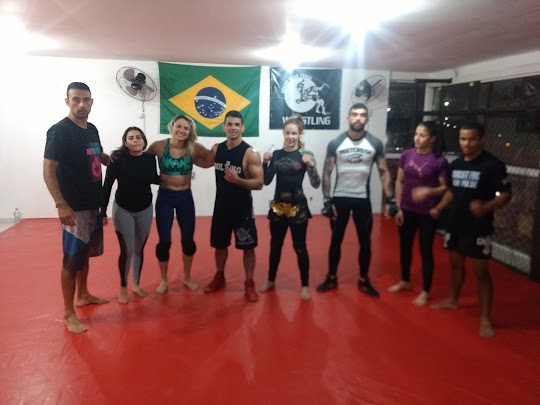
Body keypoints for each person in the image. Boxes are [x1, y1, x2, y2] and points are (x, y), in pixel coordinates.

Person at [431, 122, 511, 338]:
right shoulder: (455, 164)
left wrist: (486, 206)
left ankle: (485, 317)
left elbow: (506, 194)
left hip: (478, 226)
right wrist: (439, 207)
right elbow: (452, 191)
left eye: (471, 139)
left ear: (481, 140)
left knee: (481, 273)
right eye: (463, 139)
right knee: (455, 265)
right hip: (455, 223)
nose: (466, 144)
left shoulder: (492, 165)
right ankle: (452, 300)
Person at [43, 82, 110, 333]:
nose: (81, 104)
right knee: (72, 259)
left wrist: (112, 157)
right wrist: (61, 204)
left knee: (85, 254)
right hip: (74, 207)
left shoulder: (92, 129)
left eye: (86, 100)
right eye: (76, 100)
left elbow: (96, 155)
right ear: (67, 102)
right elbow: (48, 169)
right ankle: (69, 312)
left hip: (94, 203)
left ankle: (83, 295)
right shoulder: (59, 131)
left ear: (91, 102)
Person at [317, 103, 395, 297]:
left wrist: (391, 199)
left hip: (362, 200)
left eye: (362, 115)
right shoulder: (336, 143)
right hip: (340, 199)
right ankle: (331, 277)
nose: (358, 118)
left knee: (365, 242)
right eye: (354, 114)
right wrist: (327, 200)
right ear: (348, 118)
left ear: (366, 118)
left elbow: (383, 172)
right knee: (336, 240)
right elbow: (326, 172)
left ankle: (363, 280)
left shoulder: (374, 143)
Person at [147, 115, 214, 294]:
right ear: (172, 126)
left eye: (186, 128)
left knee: (188, 241)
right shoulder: (158, 146)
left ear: (190, 132)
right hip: (165, 198)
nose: (182, 131)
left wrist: (217, 148)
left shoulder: (193, 148)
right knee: (164, 242)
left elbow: (209, 161)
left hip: (185, 197)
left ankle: (187, 277)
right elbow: (140, 162)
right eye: (179, 126)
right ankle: (164, 280)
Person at [259, 115, 321, 300]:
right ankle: (270, 280)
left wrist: (311, 166)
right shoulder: (277, 154)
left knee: (300, 247)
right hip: (278, 206)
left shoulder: (305, 154)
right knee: (275, 246)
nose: (290, 137)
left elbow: (316, 183)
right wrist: (264, 163)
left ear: (299, 134)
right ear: (283, 133)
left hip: (298, 207)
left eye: (294, 133)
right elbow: (266, 181)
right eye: (287, 133)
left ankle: (305, 285)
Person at [204, 110, 264, 302]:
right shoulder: (216, 149)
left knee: (248, 247)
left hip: (242, 209)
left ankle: (249, 282)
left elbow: (259, 183)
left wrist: (238, 180)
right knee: (219, 245)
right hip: (221, 207)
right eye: (229, 124)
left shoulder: (250, 153)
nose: (233, 128)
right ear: (223, 126)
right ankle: (220, 276)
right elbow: (200, 160)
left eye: (237, 124)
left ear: (243, 128)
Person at [388, 121, 448, 306]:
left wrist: (428, 191)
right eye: (416, 134)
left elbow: (445, 187)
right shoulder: (407, 155)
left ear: (432, 139)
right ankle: (405, 280)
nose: (417, 138)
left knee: (425, 250)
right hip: (407, 210)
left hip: (427, 213)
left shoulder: (438, 160)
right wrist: (398, 207)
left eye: (422, 135)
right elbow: (399, 181)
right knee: (405, 247)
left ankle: (426, 291)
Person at [102, 127, 159, 303]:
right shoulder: (117, 159)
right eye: (131, 138)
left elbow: (153, 178)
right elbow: (107, 185)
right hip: (123, 210)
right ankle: (123, 287)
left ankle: (136, 284)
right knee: (127, 250)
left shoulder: (150, 159)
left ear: (144, 141)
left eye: (138, 137)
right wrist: (102, 212)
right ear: (125, 142)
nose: (135, 140)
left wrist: (177, 177)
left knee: (139, 249)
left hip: (145, 209)